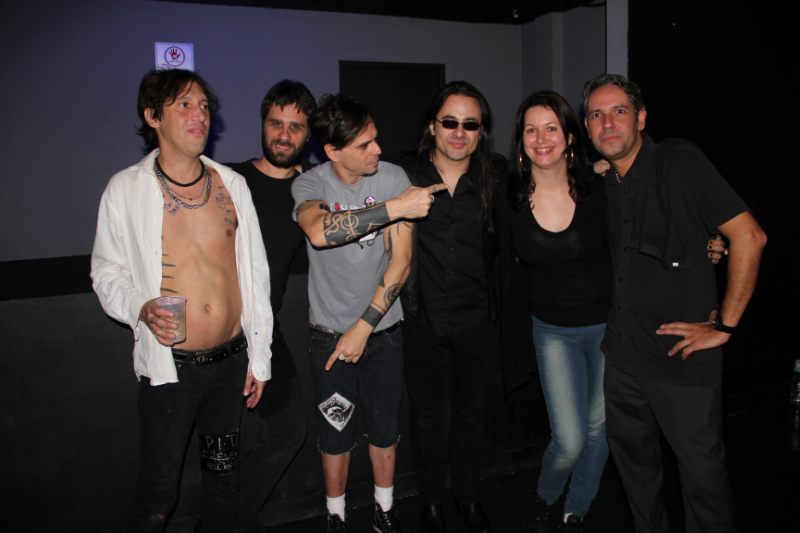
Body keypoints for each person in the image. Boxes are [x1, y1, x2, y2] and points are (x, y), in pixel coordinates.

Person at [582, 73, 767, 533]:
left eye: (619, 111)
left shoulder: (679, 161)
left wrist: (724, 326)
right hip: (622, 356)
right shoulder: (607, 180)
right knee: (637, 476)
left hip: (680, 360)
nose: (608, 123)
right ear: (587, 128)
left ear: (642, 118)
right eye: (596, 115)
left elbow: (749, 236)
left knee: (703, 482)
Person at [90, 68, 272, 533]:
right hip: (171, 371)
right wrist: (140, 307)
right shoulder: (126, 189)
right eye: (184, 105)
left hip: (231, 366)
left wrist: (260, 358)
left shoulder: (232, 184)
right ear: (152, 116)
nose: (199, 115)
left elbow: (255, 276)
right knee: (159, 492)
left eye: (204, 106)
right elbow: (106, 271)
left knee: (224, 480)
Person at [291, 93, 440, 533]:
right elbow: (319, 232)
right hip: (327, 336)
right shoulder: (310, 185)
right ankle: (336, 515)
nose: (377, 149)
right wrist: (398, 207)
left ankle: (384, 510)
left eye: (375, 138)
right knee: (335, 431)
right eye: (364, 145)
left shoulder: (392, 177)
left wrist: (364, 327)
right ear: (333, 151)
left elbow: (401, 263)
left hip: (383, 332)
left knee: (384, 428)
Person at [389, 81, 506, 533]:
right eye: (450, 122)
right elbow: (349, 171)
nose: (459, 132)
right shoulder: (402, 175)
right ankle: (432, 501)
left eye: (470, 124)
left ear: (481, 131)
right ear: (433, 127)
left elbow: (552, 179)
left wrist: (595, 169)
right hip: (422, 320)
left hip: (477, 320)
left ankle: (469, 497)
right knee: (427, 419)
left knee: (472, 416)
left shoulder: (496, 177)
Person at [497, 91, 611, 533]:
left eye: (551, 128)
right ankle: (545, 497)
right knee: (569, 439)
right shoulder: (510, 198)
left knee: (600, 431)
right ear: (520, 139)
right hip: (552, 332)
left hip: (608, 329)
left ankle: (575, 508)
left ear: (569, 136)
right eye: (531, 129)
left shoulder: (599, 189)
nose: (541, 138)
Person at [226, 80, 316, 533]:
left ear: (308, 134)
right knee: (222, 440)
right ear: (263, 125)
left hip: (265, 326)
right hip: (220, 329)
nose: (284, 135)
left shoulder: (311, 189)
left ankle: (232, 521)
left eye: (295, 127)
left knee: (287, 432)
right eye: (276, 123)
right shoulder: (228, 179)